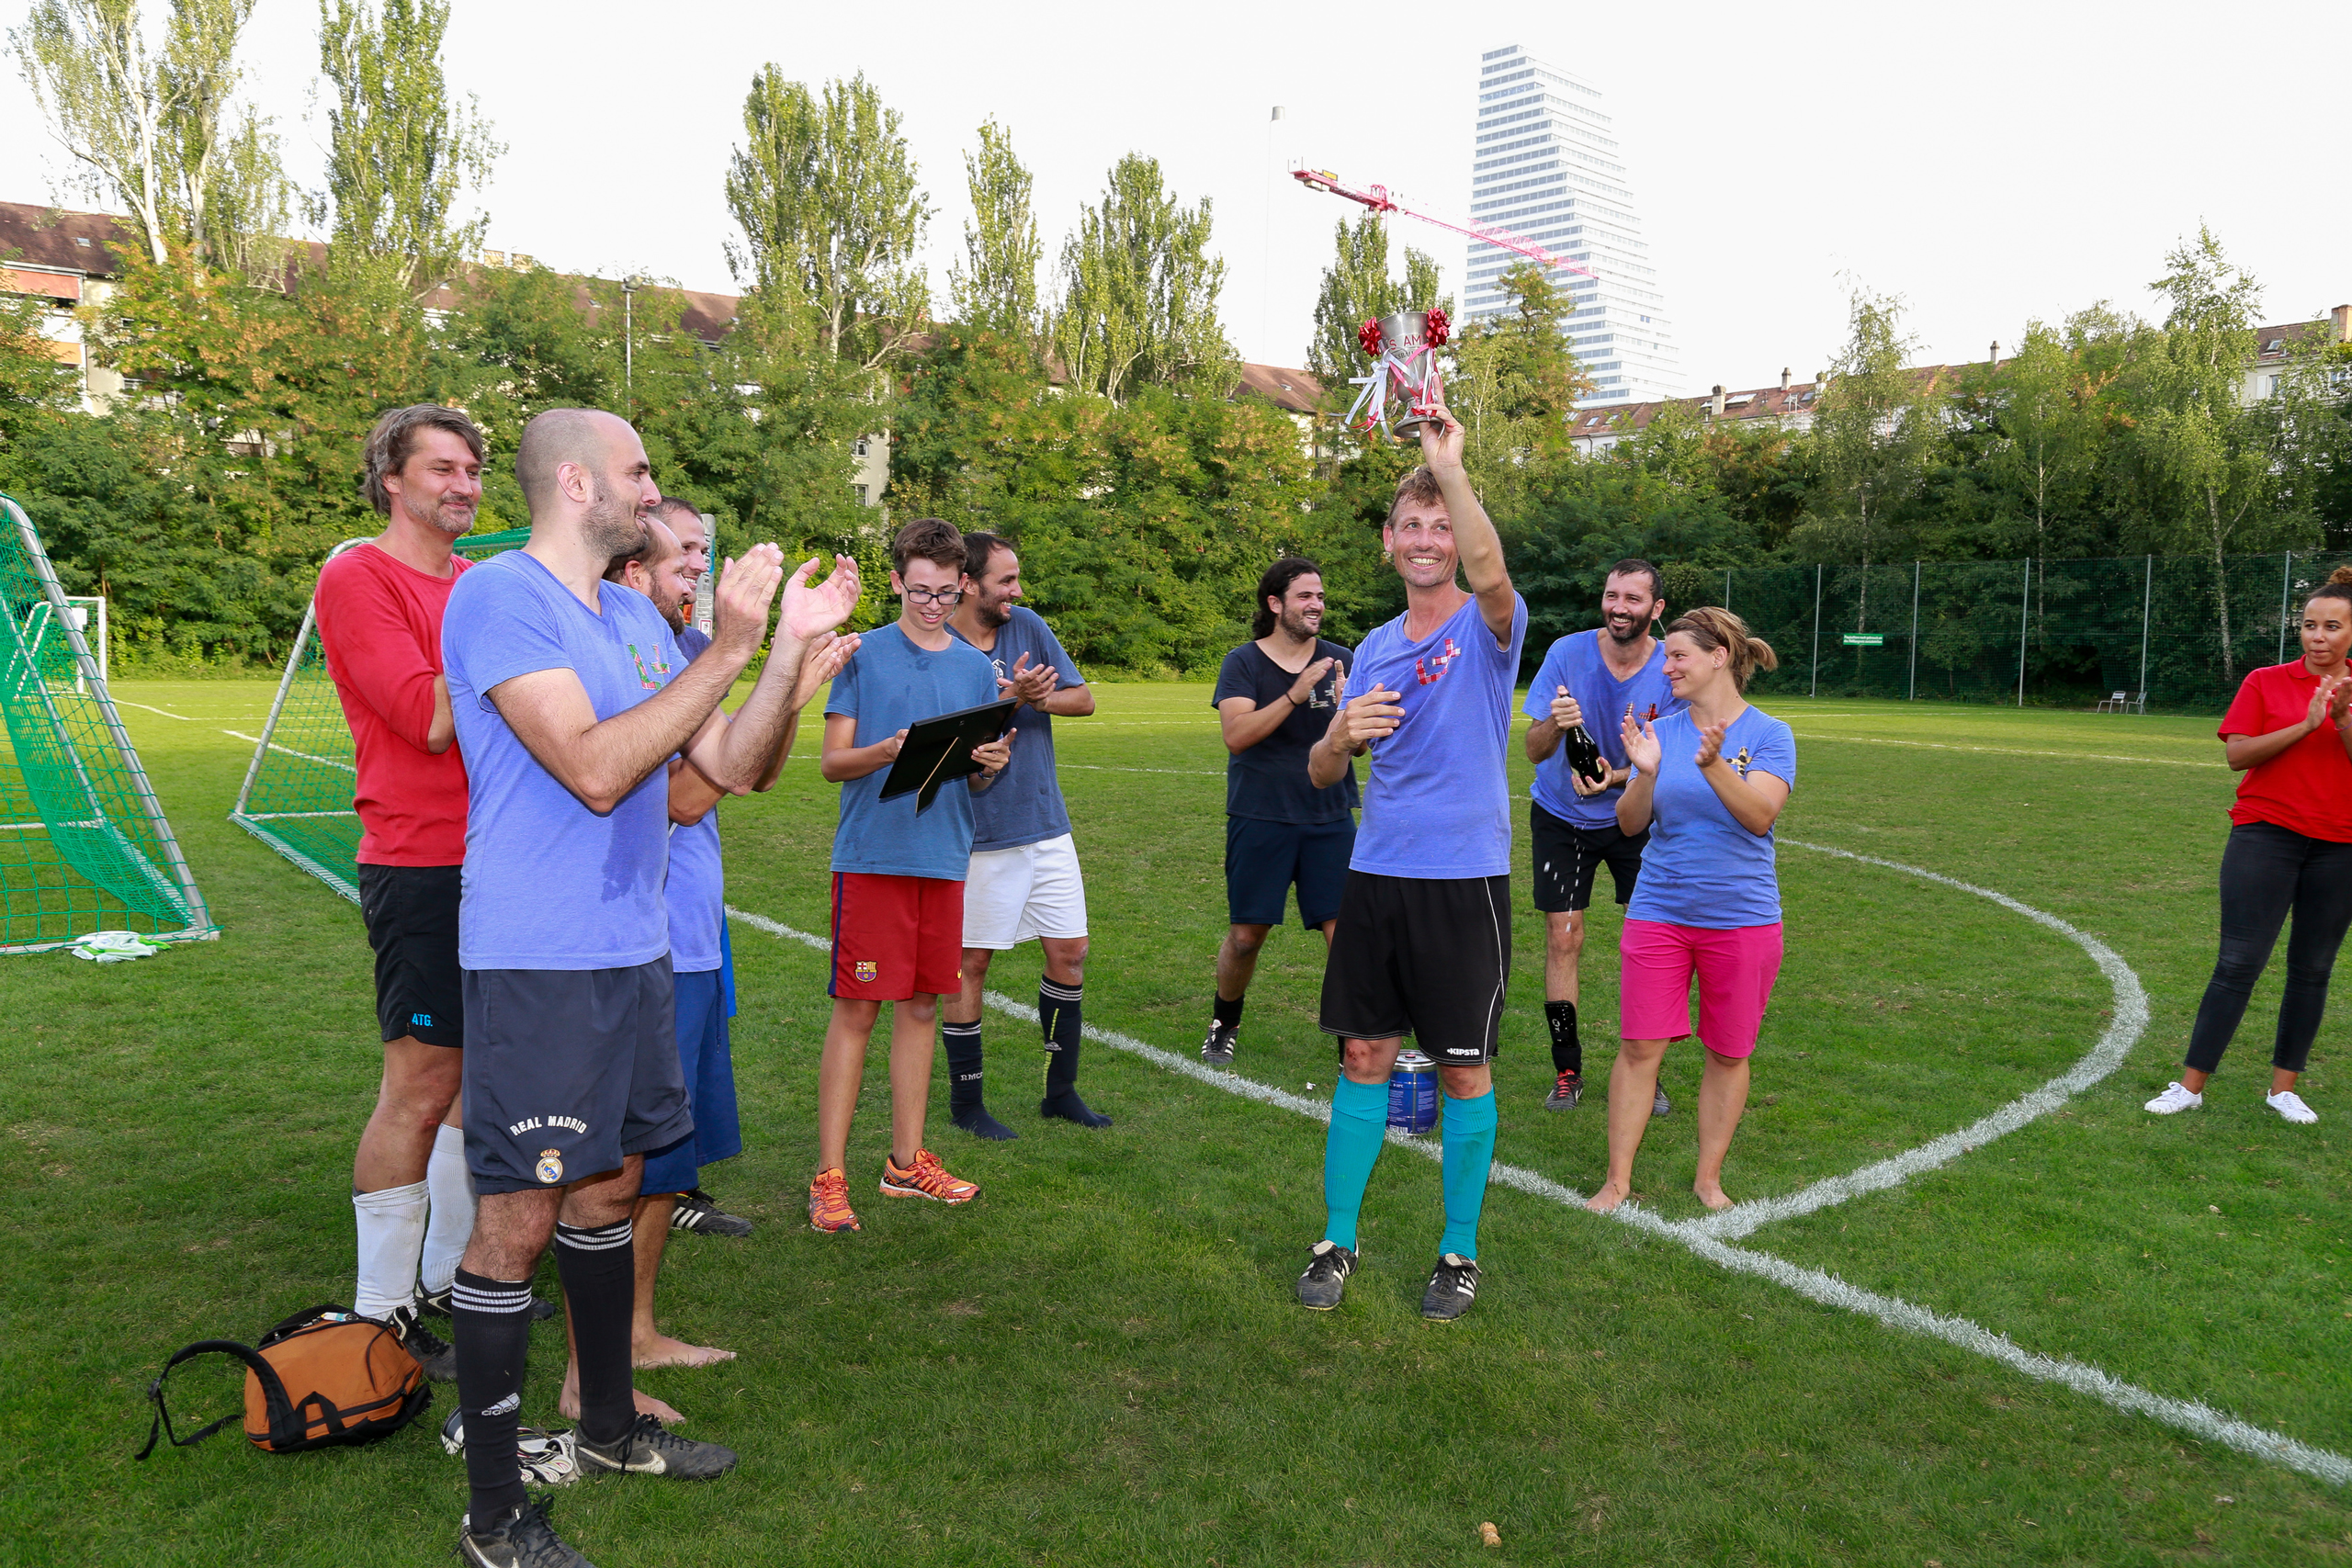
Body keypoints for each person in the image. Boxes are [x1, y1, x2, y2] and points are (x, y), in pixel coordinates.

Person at [441, 405, 851, 1568]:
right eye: (637, 470)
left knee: (608, 1192)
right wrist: (726, 648)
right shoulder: (500, 597)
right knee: (518, 1222)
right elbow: (593, 768)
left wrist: (780, 661)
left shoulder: (627, 612)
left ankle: (610, 1427)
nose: (650, 485)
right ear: (577, 483)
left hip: (633, 952)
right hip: (540, 960)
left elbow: (708, 775)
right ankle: (494, 1517)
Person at [554, 508, 857, 1425]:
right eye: (686, 553)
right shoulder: (633, 654)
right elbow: (686, 798)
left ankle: (638, 1328)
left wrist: (790, 688)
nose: (701, 567)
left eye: (704, 553)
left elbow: (753, 773)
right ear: (633, 567)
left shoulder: (680, 647)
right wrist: (760, 665)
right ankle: (603, 1357)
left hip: (691, 935)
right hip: (644, 939)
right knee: (619, 1167)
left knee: (660, 1161)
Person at [1295, 389, 1526, 1324]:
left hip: (1463, 881)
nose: (1428, 538)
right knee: (1363, 1055)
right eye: (1412, 524)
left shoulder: (1487, 626)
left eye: (1439, 523)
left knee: (1462, 1069)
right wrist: (1339, 734)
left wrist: (1453, 468)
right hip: (1377, 876)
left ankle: (1458, 1252)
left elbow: (1490, 569)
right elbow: (1318, 773)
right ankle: (1335, 1239)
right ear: (1388, 542)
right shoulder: (1375, 650)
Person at [315, 405, 526, 1382]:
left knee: (474, 1082)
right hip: (420, 863)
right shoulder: (358, 574)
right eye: (443, 466)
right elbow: (425, 717)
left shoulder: (481, 585)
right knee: (419, 1083)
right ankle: (377, 1310)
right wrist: (523, 667)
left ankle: (441, 1275)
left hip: (503, 862)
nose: (466, 483)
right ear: (390, 478)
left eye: (475, 468)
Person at [811, 517, 1012, 1233]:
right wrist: (886, 750)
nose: (931, 604)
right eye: (918, 591)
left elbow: (974, 779)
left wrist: (991, 765)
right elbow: (833, 760)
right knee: (858, 1011)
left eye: (944, 592)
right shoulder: (863, 653)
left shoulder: (971, 666)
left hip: (943, 859)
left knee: (924, 1006)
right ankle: (828, 1175)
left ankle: (905, 1163)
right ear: (897, 580)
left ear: (963, 585)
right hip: (872, 858)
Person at [1583, 607, 1792, 1216]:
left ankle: (1708, 1178)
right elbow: (1629, 823)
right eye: (1666, 656)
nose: (1666, 666)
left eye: (1677, 656)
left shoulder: (1771, 734)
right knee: (1640, 1045)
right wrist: (1645, 774)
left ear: (1719, 656)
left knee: (1728, 1051)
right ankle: (1617, 1181)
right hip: (1660, 912)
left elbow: (1759, 816)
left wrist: (1713, 765)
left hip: (1744, 919)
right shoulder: (1663, 732)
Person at [2146, 568, 2352, 1126]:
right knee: (2238, 962)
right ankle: (2190, 1086)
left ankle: (2283, 1089)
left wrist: (2342, 719)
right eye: (2309, 624)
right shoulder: (2265, 680)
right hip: (2265, 836)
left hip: (2341, 847)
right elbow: (2238, 755)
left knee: (2312, 968)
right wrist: (2307, 726)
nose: (2318, 636)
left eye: (2332, 626)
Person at [942, 531, 1107, 1137]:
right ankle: (968, 1105)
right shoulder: (941, 642)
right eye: (1005, 580)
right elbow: (945, 735)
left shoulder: (1028, 625)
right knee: (970, 963)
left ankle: (1060, 1092)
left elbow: (1083, 698)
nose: (1017, 590)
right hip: (978, 830)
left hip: (1045, 821)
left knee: (1071, 951)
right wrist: (1013, 695)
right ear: (968, 582)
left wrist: (1038, 697)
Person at [1521, 559, 1681, 1113]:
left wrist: (1613, 776)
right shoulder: (1567, 653)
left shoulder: (1672, 666)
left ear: (1655, 610)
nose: (1619, 607)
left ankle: (1646, 1070)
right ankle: (1567, 1069)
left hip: (1641, 819)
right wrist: (1556, 723)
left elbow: (1681, 754)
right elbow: (1533, 749)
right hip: (1562, 817)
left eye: (1633, 599)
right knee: (1564, 938)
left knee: (1653, 946)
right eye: (1612, 595)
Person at [1203, 556, 1358, 1068]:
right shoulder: (1243, 662)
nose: (1317, 605)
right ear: (1275, 604)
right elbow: (1237, 736)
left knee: (1345, 938)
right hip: (1260, 815)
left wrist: (1345, 719)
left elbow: (1359, 750)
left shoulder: (1342, 659)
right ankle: (1225, 1020)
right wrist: (1295, 694)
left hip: (1330, 816)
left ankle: (1350, 1042)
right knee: (1247, 937)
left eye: (1320, 596)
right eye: (1305, 596)